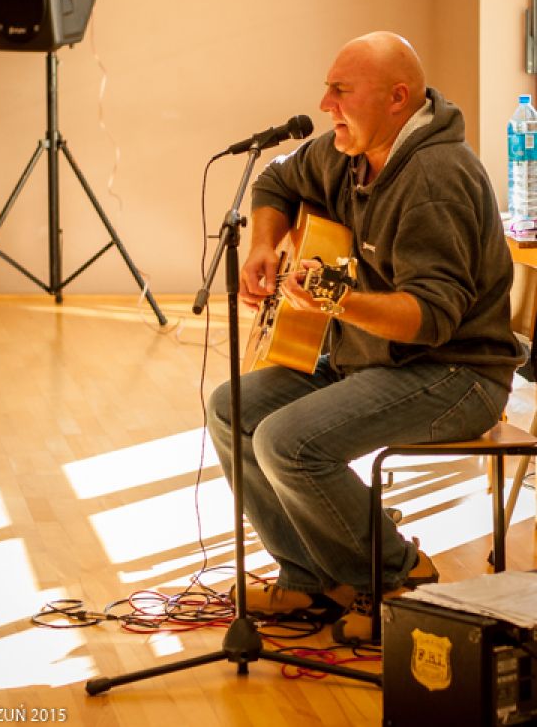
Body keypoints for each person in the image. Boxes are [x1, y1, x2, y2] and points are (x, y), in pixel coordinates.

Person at [206, 31, 524, 643]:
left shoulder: (435, 179)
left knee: (288, 442)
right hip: (372, 358)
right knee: (231, 407)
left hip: (455, 374)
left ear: (397, 98)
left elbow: (431, 318)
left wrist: (339, 301)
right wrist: (264, 244)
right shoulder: (351, 150)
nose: (324, 104)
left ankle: (394, 574)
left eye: (340, 91)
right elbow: (276, 181)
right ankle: (310, 577)